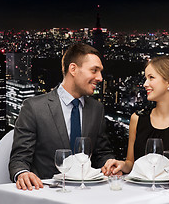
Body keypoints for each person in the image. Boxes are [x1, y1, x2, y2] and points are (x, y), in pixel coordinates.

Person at [9, 43, 115, 191]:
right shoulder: (34, 107)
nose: (100, 78)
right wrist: (23, 173)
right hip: (46, 194)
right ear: (73, 69)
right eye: (94, 70)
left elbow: (102, 153)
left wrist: (110, 164)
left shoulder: (97, 109)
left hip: (87, 193)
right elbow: (19, 158)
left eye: (100, 72)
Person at [102, 55, 169, 189]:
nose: (145, 84)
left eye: (151, 78)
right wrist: (121, 164)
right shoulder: (137, 119)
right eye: (146, 78)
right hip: (138, 193)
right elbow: (130, 163)